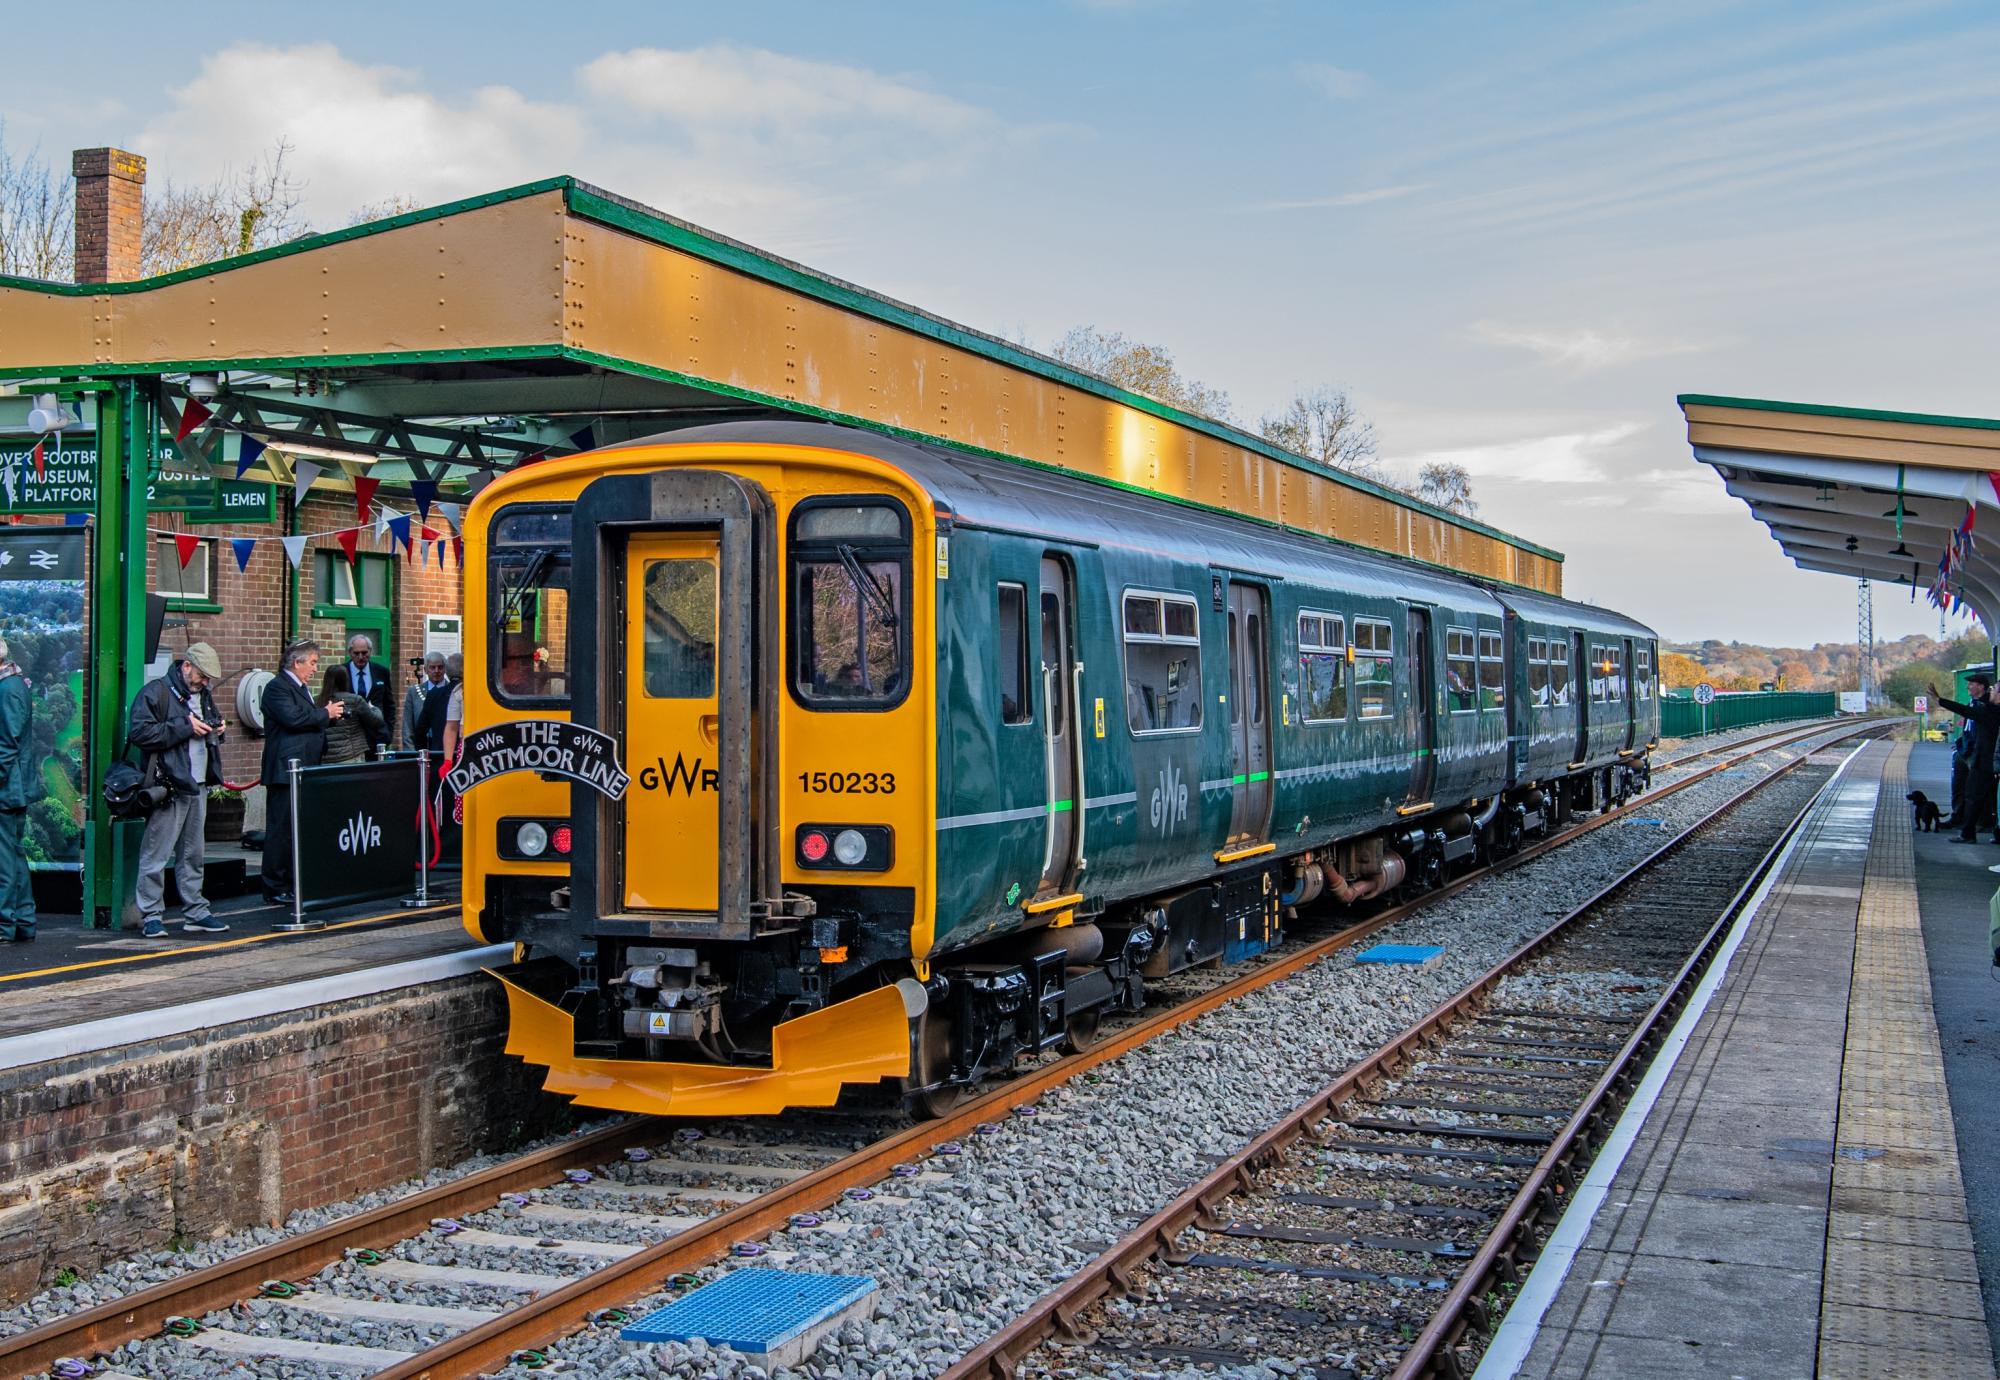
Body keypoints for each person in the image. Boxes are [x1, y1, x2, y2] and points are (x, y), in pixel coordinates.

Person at [128, 643, 228, 937]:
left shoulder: (203, 695)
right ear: (186, 666)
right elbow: (140, 733)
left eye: (209, 678)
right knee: (157, 852)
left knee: (193, 852)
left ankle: (196, 910)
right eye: (202, 675)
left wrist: (217, 730)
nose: (206, 682)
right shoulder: (156, 693)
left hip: (196, 783)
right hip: (169, 785)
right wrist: (184, 726)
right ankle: (151, 915)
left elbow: (201, 729)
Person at [261, 640, 345, 905]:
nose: (314, 668)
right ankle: (275, 886)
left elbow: (306, 718)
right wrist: (325, 713)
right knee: (281, 829)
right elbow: (294, 719)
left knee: (297, 829)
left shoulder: (302, 688)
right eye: (312, 663)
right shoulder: (277, 688)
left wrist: (327, 718)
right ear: (296, 662)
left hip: (304, 768)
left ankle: (293, 882)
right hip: (285, 770)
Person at [1931, 677, 2000, 845]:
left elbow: (1966, 712)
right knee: (1992, 800)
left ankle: (1968, 834)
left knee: (1972, 796)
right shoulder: (1990, 709)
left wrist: (1941, 701)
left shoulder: (1992, 711)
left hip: (1985, 762)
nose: (1992, 691)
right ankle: (1996, 832)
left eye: (1995, 690)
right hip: (1989, 762)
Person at [0, 638, 34, 943]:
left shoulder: (8, 689)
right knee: (12, 853)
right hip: (12, 786)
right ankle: (23, 921)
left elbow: (7, 744)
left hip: (6, 788)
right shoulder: (13, 685)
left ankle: (4, 925)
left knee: (4, 860)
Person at [318, 665, 384, 765]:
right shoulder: (355, 700)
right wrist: (374, 708)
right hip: (351, 756)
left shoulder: (317, 701)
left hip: (325, 758)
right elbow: (376, 721)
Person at [341, 634, 394, 753]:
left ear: (370, 651)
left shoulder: (381, 672)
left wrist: (388, 733)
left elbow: (389, 705)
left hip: (378, 737)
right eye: (356, 653)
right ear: (350, 652)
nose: (360, 657)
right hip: (351, 738)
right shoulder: (342, 672)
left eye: (364, 653)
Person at [404, 653, 446, 748]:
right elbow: (408, 727)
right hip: (421, 746)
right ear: (425, 670)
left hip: (444, 747)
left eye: (440, 667)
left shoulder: (452, 690)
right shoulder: (414, 692)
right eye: (432, 667)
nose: (436, 671)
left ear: (445, 669)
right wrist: (411, 755)